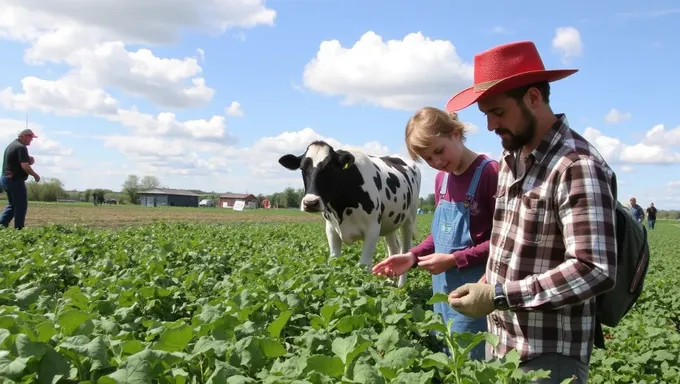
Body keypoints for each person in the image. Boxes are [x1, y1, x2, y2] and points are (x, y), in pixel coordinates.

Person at [442, 41, 618, 383]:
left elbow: (594, 269)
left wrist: (497, 295)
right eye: (486, 115)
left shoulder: (576, 166)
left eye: (498, 112)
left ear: (533, 98)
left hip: (549, 353)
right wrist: (486, 282)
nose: (491, 125)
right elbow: (510, 243)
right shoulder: (512, 158)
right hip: (503, 343)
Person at [372, 106, 499, 361]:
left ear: (455, 133)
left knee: (468, 359)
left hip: (473, 289)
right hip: (440, 290)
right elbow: (439, 237)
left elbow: (502, 241)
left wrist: (454, 260)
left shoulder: (489, 172)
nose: (437, 162)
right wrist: (411, 257)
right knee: (445, 352)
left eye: (439, 151)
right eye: (428, 159)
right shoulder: (442, 180)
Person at [1, 129, 40, 230]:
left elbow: (18, 161)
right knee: (21, 205)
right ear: (23, 136)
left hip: (5, 179)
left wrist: (29, 160)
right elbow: (25, 166)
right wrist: (35, 175)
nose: (31, 140)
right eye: (30, 137)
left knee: (12, 205)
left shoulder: (12, 145)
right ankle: (19, 229)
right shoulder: (21, 147)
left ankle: (1, 225)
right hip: (15, 180)